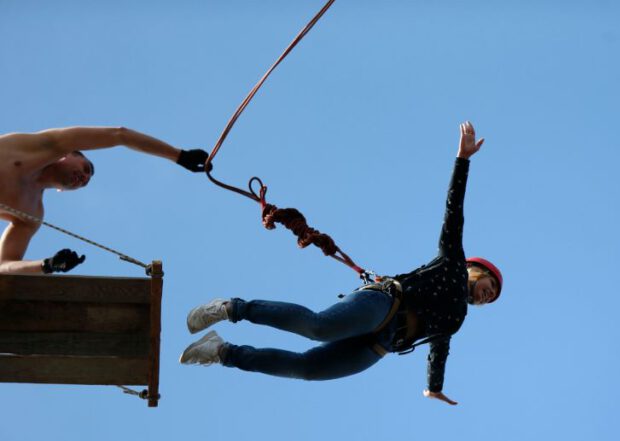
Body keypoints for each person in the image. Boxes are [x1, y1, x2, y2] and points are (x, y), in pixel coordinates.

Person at [180, 121, 501, 406]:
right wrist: (462, 161)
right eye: (491, 287)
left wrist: (434, 387)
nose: (489, 296)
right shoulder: (453, 264)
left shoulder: (457, 318)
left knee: (307, 370)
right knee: (320, 327)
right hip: (385, 303)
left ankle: (223, 353)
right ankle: (230, 308)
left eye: (492, 299)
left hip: (381, 344)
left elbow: (438, 349)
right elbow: (453, 214)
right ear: (479, 271)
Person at [0, 126, 209, 274]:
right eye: (85, 168)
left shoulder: (32, 212)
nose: (83, 178)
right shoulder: (38, 146)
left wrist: (47, 265)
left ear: (61, 191)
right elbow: (119, 135)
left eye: (85, 182)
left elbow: (5, 264)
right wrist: (179, 156)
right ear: (68, 153)